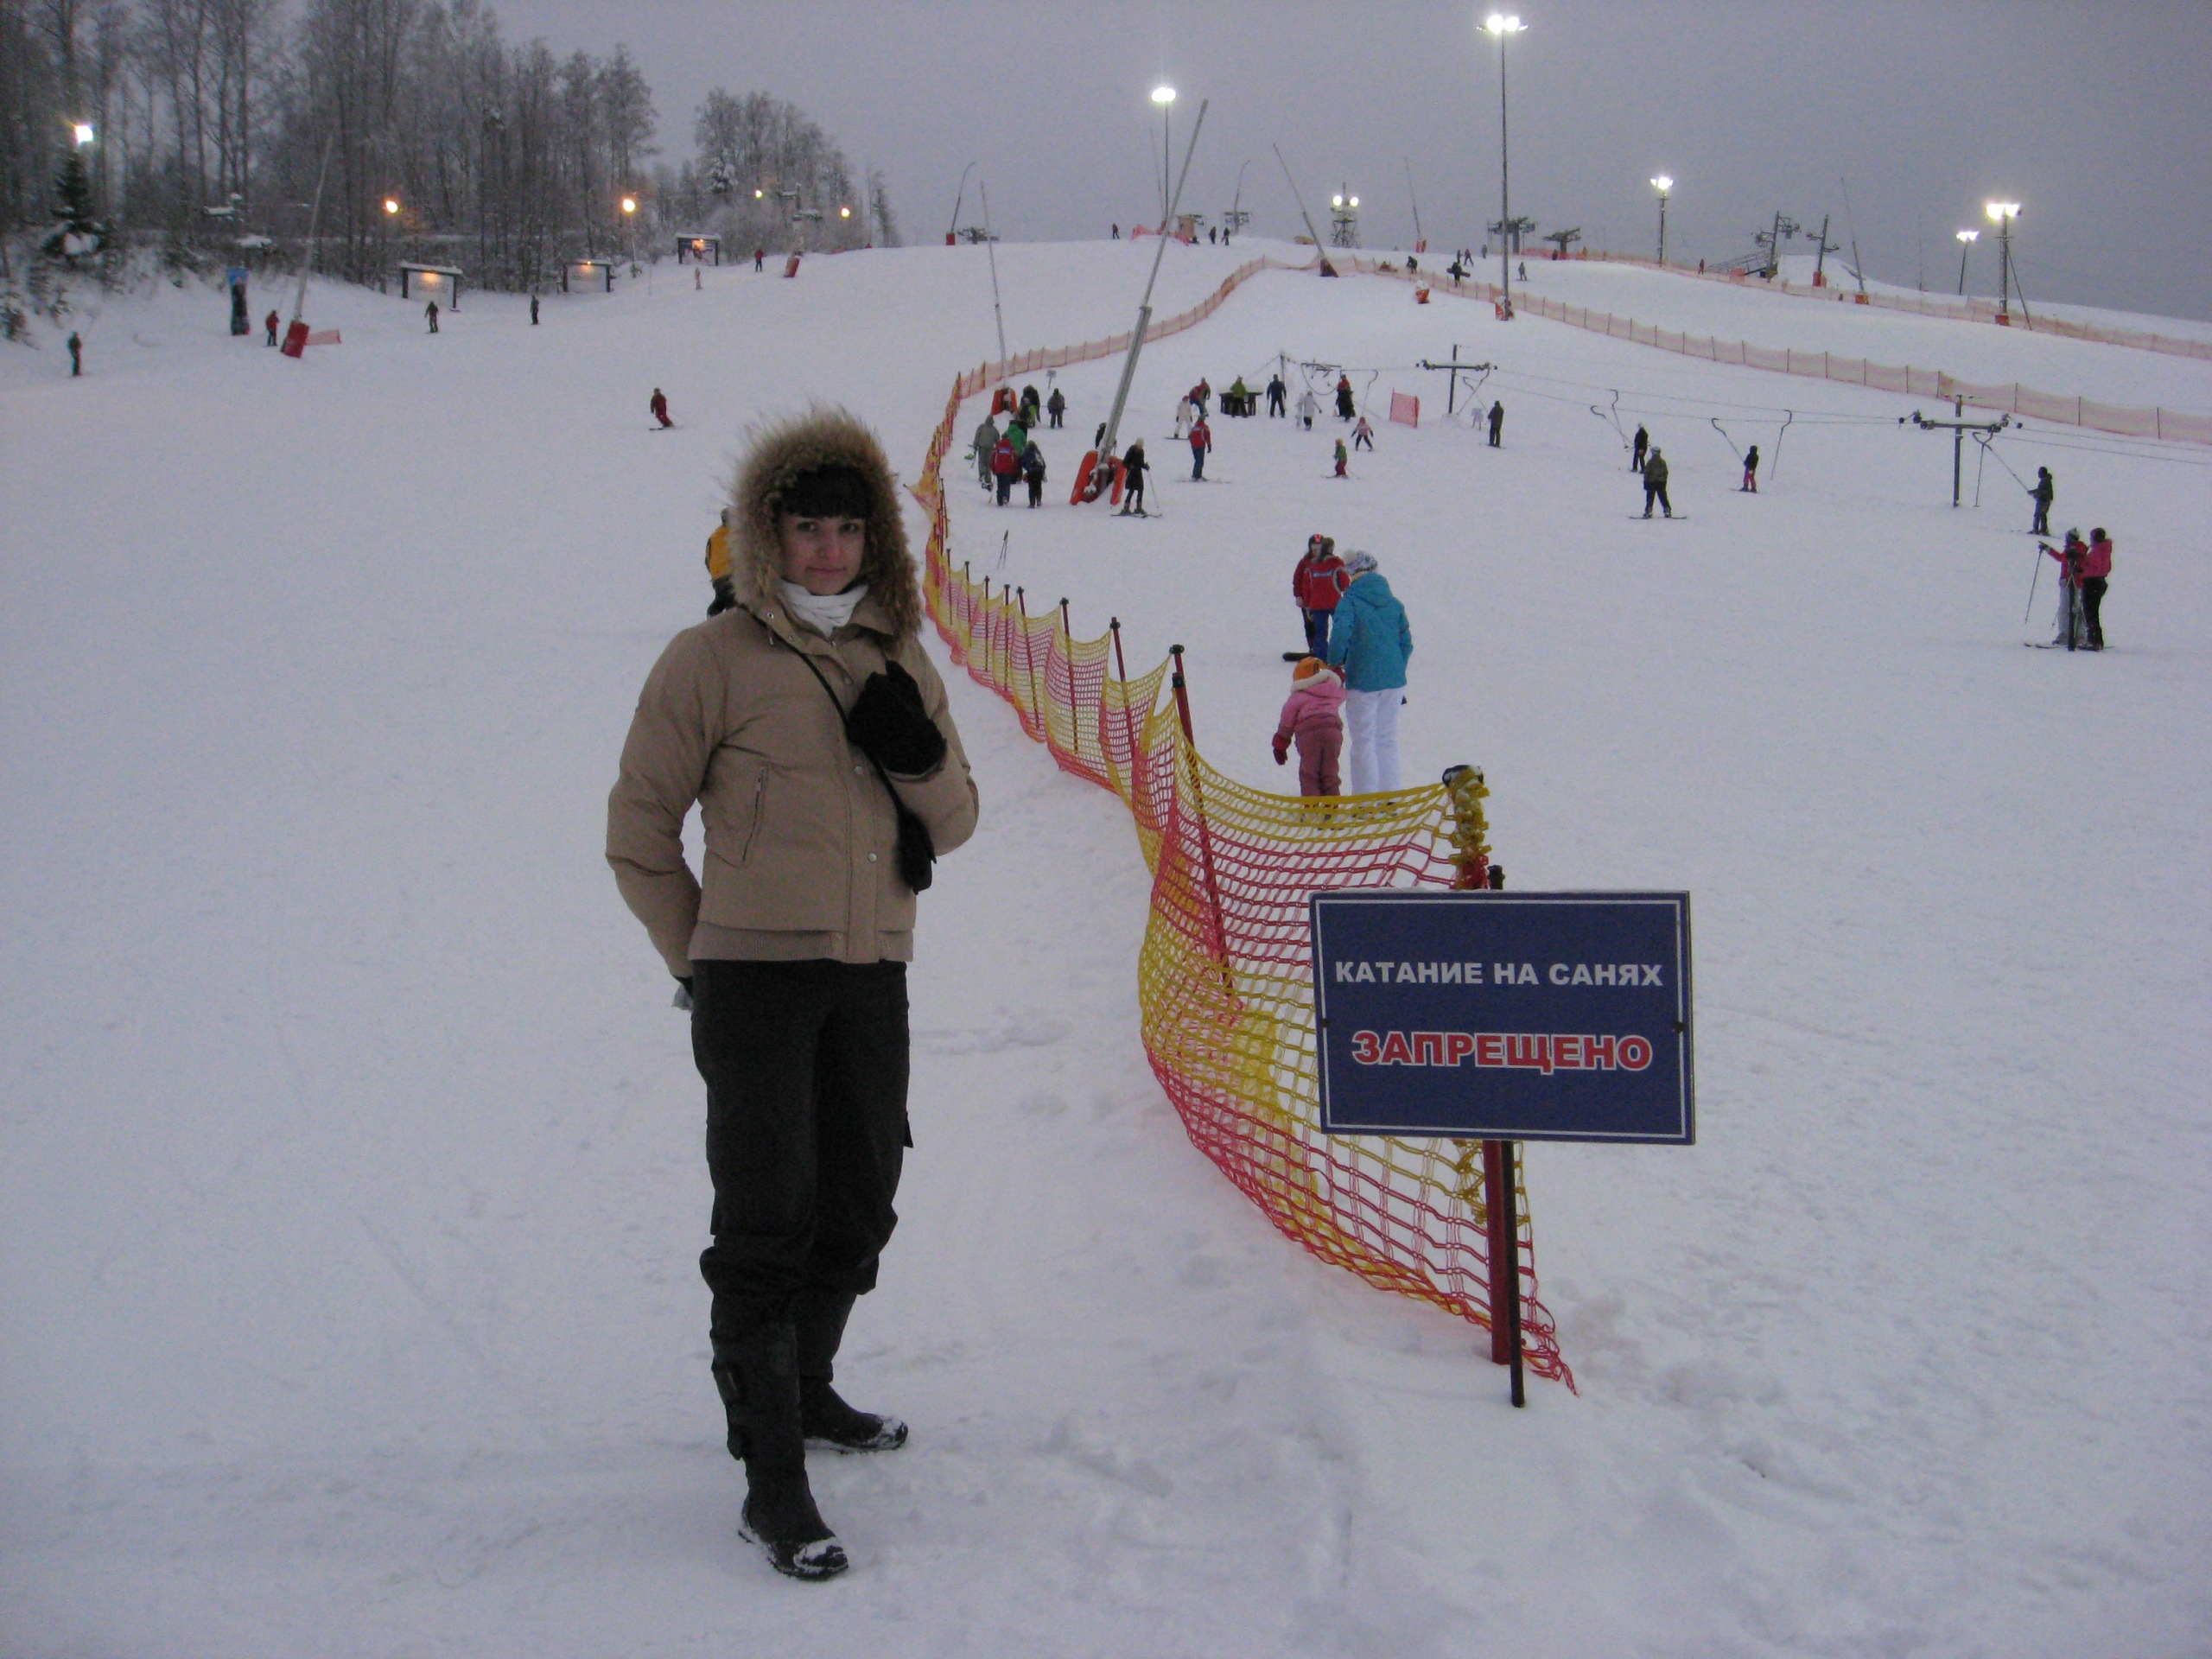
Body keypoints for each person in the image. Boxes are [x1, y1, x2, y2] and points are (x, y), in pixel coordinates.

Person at [607, 409, 980, 1582]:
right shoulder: (710, 659)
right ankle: (771, 1480)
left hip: (871, 972)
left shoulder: (898, 654)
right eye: (808, 530)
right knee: (766, 1221)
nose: (828, 551)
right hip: (755, 983)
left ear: (876, 541)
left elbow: (957, 822)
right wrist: (702, 960)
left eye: (847, 531)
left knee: (860, 1201)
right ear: (768, 537)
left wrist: (913, 755)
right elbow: (638, 833)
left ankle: (807, 1390)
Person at [1325, 550, 1412, 793]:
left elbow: (1340, 634)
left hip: (1362, 680)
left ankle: (1364, 800)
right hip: (1394, 682)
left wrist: (1334, 662)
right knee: (1387, 738)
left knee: (1363, 741)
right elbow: (1406, 643)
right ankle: (1390, 795)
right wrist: (1396, 668)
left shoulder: (1349, 602)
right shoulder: (1394, 603)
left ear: (1350, 573)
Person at [1273, 658, 1346, 797]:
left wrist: (1280, 745)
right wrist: (1338, 676)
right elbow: (1343, 689)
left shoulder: (1298, 697)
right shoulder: (1334, 691)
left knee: (1310, 773)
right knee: (1330, 770)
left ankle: (1312, 805)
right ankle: (1331, 803)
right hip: (1333, 733)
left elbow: (1287, 722)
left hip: (1309, 735)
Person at [1292, 533, 1349, 658]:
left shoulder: (1313, 564)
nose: (1316, 548)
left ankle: (1323, 655)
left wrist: (1307, 602)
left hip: (1315, 603)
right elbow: (1300, 580)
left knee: (1321, 631)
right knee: (1321, 628)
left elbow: (1307, 584)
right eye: (1314, 545)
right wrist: (1300, 597)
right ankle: (1324, 652)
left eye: (1318, 546)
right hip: (1328, 602)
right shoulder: (1310, 562)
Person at [2040, 529, 2089, 647]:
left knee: (2066, 609)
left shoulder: (2074, 549)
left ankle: (2066, 635)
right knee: (2076, 608)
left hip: (2070, 581)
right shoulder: (2079, 548)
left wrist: (2048, 549)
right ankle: (2079, 635)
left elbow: (2061, 558)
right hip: (2077, 582)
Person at [2081, 527, 2112, 649]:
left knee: (2089, 612)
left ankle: (2093, 640)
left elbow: (2093, 567)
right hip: (2099, 582)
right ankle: (2097, 640)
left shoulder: (2096, 552)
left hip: (2091, 582)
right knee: (2093, 612)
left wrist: (2082, 568)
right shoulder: (2105, 550)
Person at [704, 509, 736, 615]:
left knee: (722, 598)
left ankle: (712, 613)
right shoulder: (738, 535)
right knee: (738, 602)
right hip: (735, 578)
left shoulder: (713, 538)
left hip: (718, 581)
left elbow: (707, 561)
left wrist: (717, 575)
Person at [1117, 439, 1149, 516]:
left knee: (1141, 489)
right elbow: (1124, 462)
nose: (1140, 447)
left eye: (1141, 446)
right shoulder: (1131, 451)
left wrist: (1145, 466)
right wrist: (1130, 466)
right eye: (1139, 445)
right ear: (1136, 445)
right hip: (1131, 473)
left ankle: (1139, 507)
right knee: (1131, 490)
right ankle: (1126, 507)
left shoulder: (1141, 452)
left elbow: (1140, 463)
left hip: (1138, 473)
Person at [969, 412, 1000, 491]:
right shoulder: (994, 429)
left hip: (982, 447)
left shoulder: (981, 427)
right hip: (990, 448)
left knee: (981, 461)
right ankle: (988, 478)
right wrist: (998, 448)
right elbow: (997, 440)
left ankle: (982, 473)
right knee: (988, 463)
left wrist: (975, 445)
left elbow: (977, 436)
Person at [1641, 448, 1672, 518]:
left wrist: (1646, 482)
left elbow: (1647, 473)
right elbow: (1665, 473)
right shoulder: (1662, 462)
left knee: (1650, 498)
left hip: (1651, 483)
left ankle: (1649, 510)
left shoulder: (1650, 462)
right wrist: (1664, 481)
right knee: (1663, 498)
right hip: (1661, 483)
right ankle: (1667, 509)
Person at [990, 432, 1019, 505]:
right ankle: (1005, 496)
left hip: (999, 470)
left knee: (1000, 485)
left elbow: (993, 460)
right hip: (1008, 470)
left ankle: (999, 500)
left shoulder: (997, 448)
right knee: (1006, 484)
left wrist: (993, 469)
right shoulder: (1011, 449)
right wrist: (1014, 469)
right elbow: (1015, 460)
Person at [1022, 439, 1047, 507]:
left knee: (1031, 488)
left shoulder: (1026, 452)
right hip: (1039, 471)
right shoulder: (1037, 452)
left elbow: (1023, 462)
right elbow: (1043, 463)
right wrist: (1043, 472)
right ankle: (1039, 500)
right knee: (1038, 486)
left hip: (1031, 471)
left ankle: (1032, 503)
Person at [2031, 466, 2054, 536]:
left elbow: (2040, 490)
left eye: (2039, 473)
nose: (2038, 474)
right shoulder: (2047, 480)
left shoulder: (2044, 481)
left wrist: (2032, 492)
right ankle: (2043, 530)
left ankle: (2035, 530)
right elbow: (2044, 491)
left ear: (2042, 473)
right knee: (2043, 515)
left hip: (2043, 501)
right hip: (2046, 500)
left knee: (2037, 515)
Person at [1189, 412, 1212, 480]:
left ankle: (1196, 474)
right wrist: (1209, 445)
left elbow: (1190, 436)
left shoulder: (1194, 428)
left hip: (1194, 446)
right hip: (1200, 446)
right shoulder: (1205, 427)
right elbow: (1207, 437)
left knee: (1197, 460)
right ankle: (1197, 476)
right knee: (1200, 461)